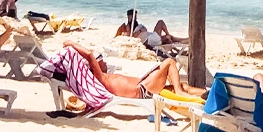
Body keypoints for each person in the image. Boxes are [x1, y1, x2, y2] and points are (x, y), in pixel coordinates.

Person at [59, 42, 202, 99]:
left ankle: (205, 94)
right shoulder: (100, 77)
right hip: (143, 90)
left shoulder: (105, 75)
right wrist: (71, 44)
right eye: (101, 61)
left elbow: (91, 58)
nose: (104, 62)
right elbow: (89, 55)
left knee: (183, 85)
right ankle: (178, 91)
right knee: (169, 62)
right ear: (94, 65)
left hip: (145, 84)